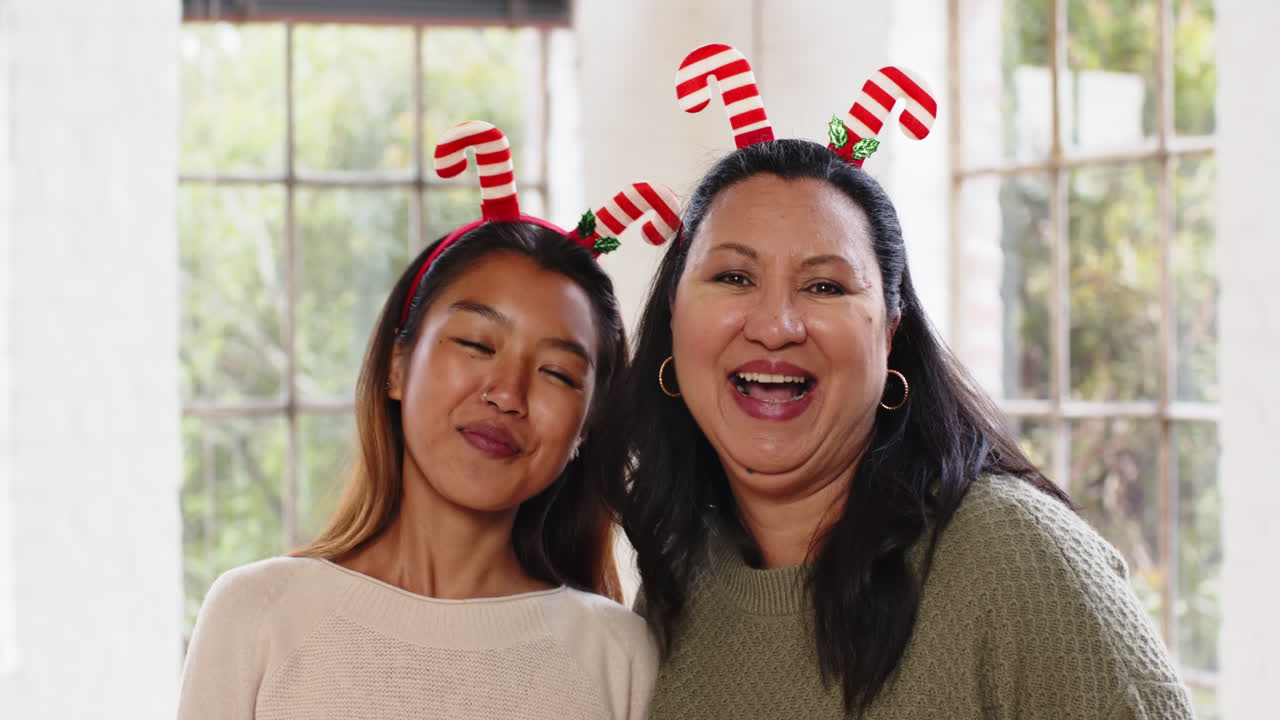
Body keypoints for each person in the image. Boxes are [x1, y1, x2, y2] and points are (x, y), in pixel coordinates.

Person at [614, 45, 1194, 719]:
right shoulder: (681, 573)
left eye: (825, 285)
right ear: (674, 316)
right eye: (734, 278)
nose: (775, 325)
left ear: (889, 332)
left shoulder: (1012, 559)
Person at [178, 121, 680, 720]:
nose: (506, 392)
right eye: (474, 343)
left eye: (557, 374)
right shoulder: (258, 614)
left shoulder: (618, 656)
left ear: (584, 432)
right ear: (396, 366)